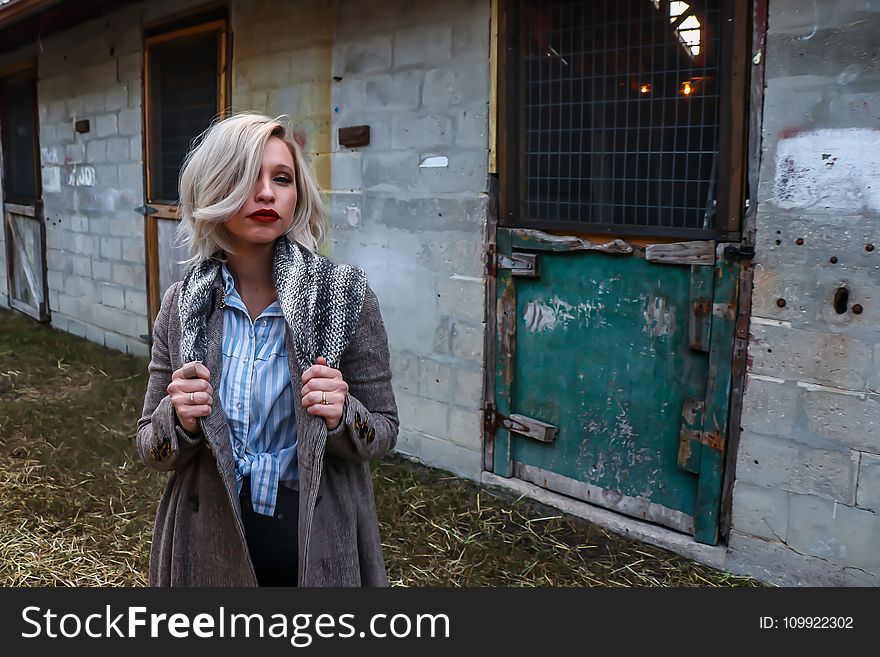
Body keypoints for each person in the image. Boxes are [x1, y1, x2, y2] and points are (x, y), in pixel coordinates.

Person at [136, 112, 398, 587]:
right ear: (213, 189)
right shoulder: (181, 307)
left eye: (282, 178)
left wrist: (342, 415)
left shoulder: (345, 296)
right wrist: (179, 420)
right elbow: (151, 449)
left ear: (297, 195)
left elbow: (382, 430)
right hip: (204, 542)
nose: (266, 193)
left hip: (318, 542)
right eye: (245, 176)